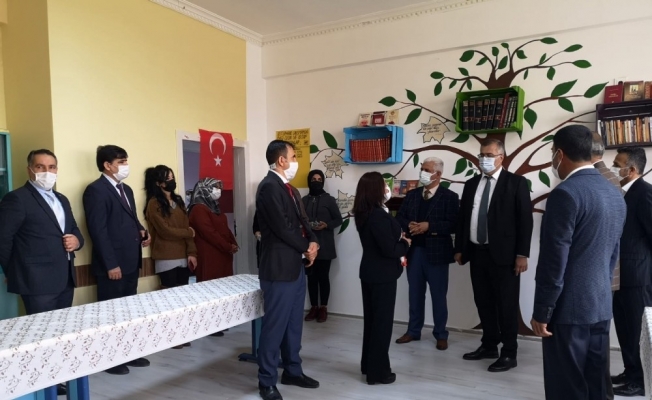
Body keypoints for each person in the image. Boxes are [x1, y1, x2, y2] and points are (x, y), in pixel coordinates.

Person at [531, 125, 626, 400]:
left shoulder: (565, 193)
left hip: (567, 309)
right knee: (598, 383)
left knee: (567, 386)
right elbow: (613, 252)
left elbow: (554, 260)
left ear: (559, 154)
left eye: (552, 152)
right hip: (600, 302)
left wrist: (542, 310)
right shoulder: (614, 192)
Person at [0, 149, 84, 397]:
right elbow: (3, 239)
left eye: (52, 167)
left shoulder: (62, 199)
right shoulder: (17, 199)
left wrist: (77, 241)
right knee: (40, 336)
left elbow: (75, 230)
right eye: (40, 167)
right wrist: (12, 270)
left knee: (60, 333)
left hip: (65, 277)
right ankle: (41, 384)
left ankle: (56, 378)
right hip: (35, 280)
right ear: (30, 170)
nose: (47, 172)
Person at [454, 138, 533, 372]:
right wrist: (459, 248)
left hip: (505, 256)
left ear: (501, 157)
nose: (483, 159)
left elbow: (525, 221)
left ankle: (509, 352)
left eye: (489, 155)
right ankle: (489, 345)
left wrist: (522, 254)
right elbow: (463, 219)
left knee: (506, 305)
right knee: (483, 301)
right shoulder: (471, 184)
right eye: (481, 155)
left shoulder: (516, 183)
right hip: (477, 252)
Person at [255, 140, 320, 400]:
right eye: (293, 157)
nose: (295, 162)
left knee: (294, 325)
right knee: (274, 327)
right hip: (279, 268)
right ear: (281, 160)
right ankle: (266, 381)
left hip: (295, 267)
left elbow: (303, 221)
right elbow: (282, 228)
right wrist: (306, 248)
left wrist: (313, 241)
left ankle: (293, 370)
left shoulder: (290, 189)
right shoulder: (268, 187)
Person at [83, 145, 151, 375]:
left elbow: (132, 218)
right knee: (111, 314)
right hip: (112, 265)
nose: (125, 166)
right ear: (107, 165)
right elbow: (98, 230)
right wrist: (111, 264)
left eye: (126, 161)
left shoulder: (126, 189)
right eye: (121, 162)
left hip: (131, 260)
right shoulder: (96, 190)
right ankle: (110, 359)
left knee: (128, 312)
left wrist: (142, 230)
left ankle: (128, 353)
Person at [395, 157, 459, 350]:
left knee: (438, 296)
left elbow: (454, 224)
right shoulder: (412, 195)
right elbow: (400, 217)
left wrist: (429, 226)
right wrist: (409, 225)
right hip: (414, 251)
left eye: (427, 170)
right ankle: (413, 331)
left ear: (438, 174)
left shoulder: (449, 196)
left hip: (437, 254)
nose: (422, 172)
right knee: (415, 294)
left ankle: (440, 334)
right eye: (422, 169)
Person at [354, 172, 411, 385]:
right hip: (382, 274)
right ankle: (378, 373)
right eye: (384, 185)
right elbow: (390, 249)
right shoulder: (377, 215)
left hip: (370, 272)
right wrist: (405, 243)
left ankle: (369, 366)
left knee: (372, 322)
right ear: (375, 190)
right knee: (382, 325)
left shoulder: (364, 212)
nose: (387, 189)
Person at [610, 146, 652, 397]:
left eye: (617, 164)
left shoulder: (645, 193)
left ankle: (640, 381)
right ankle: (630, 371)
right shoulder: (621, 192)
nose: (613, 168)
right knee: (624, 328)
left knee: (637, 331)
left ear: (632, 169)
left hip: (637, 276)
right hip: (618, 275)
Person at [591, 132, 623, 400]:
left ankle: (600, 392)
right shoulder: (611, 178)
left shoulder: (599, 179)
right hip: (606, 270)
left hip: (598, 272)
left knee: (595, 341)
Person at [302, 169, 343, 323]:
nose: (316, 182)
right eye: (314, 179)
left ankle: (323, 308)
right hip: (308, 245)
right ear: (309, 181)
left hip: (325, 244)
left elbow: (338, 219)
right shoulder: (303, 200)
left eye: (319, 180)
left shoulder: (329, 200)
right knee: (311, 278)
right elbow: (299, 220)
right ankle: (314, 307)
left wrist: (327, 225)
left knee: (323, 277)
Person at [188, 177, 238, 282]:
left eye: (220, 188)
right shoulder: (198, 209)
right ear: (204, 189)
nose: (219, 190)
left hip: (223, 253)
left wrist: (233, 243)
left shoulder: (214, 207)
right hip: (210, 255)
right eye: (215, 187)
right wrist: (227, 246)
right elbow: (209, 232)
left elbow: (224, 227)